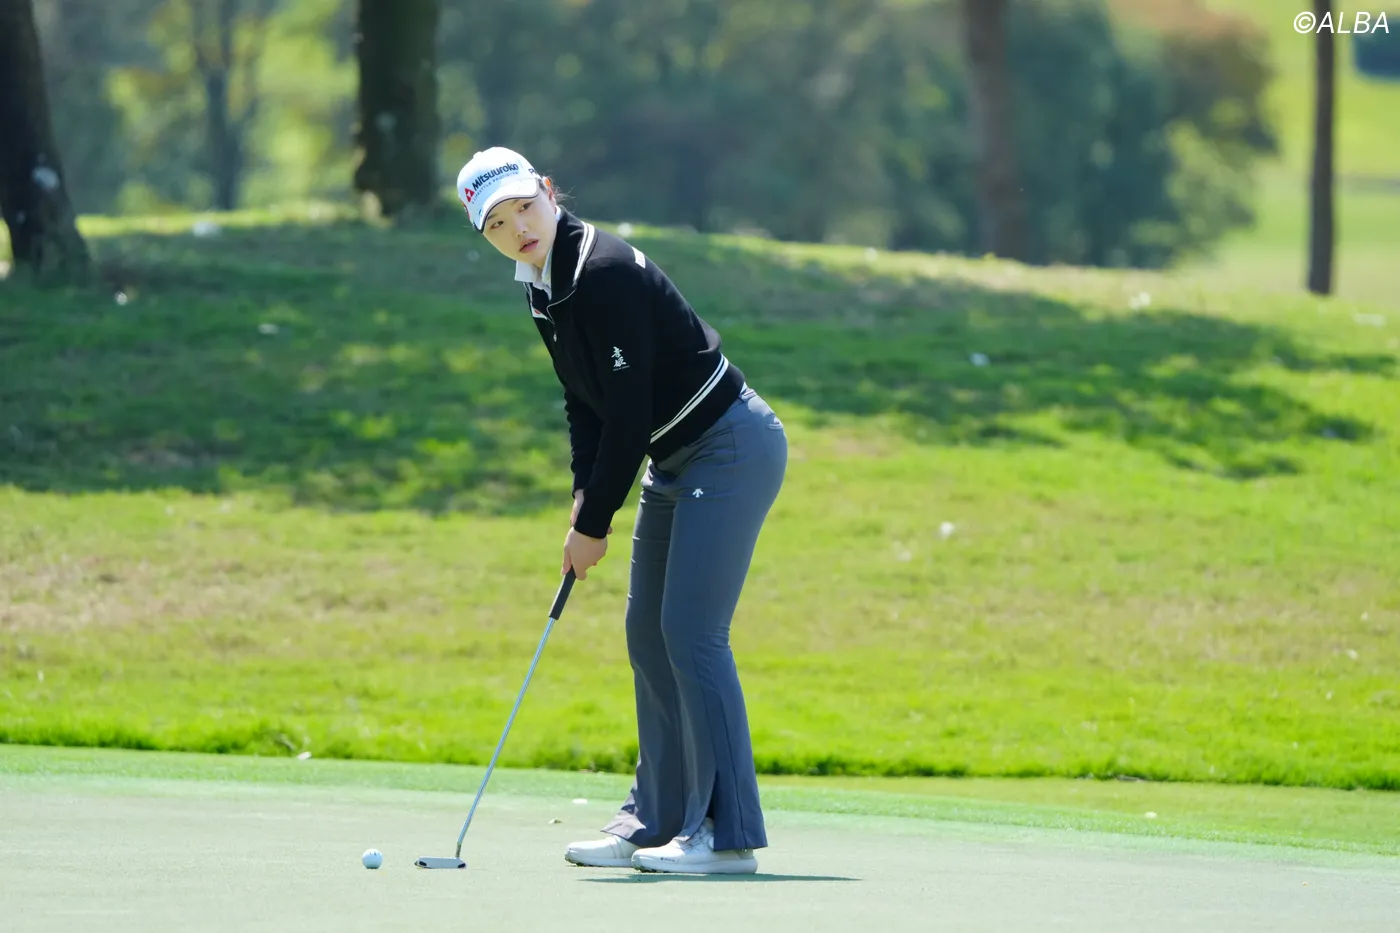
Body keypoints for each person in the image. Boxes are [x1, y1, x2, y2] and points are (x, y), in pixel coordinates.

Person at [456, 147, 788, 875]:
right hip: (675, 459)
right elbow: (586, 403)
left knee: (692, 633)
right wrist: (584, 499)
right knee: (648, 633)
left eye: (525, 208)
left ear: (549, 193)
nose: (519, 230)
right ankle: (655, 820)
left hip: (727, 447)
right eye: (498, 224)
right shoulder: (544, 288)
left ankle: (724, 836)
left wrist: (595, 524)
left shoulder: (599, 272)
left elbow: (630, 413)